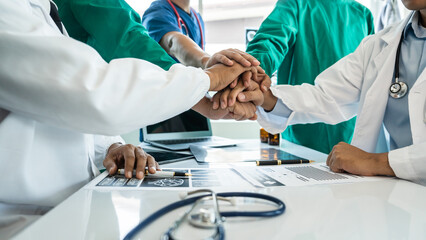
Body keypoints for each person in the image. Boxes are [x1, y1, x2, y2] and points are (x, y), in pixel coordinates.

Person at [0, 0, 259, 237]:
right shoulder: (9, 11)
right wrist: (209, 78)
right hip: (23, 226)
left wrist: (110, 146)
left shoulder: (44, 12)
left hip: (72, 211)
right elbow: (94, 90)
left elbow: (60, 101)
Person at [236, 0, 425, 184]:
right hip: (385, 184)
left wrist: (376, 161)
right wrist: (261, 93)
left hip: (361, 158)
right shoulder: (382, 42)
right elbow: (327, 96)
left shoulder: (361, 14)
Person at [53, 0, 263, 120]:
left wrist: (225, 86)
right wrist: (209, 68)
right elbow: (169, 42)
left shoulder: (197, 18)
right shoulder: (159, 10)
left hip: (189, 99)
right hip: (164, 112)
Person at [239, 0, 375, 154]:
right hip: (300, 126)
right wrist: (254, 70)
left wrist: (251, 72)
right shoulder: (296, 5)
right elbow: (270, 41)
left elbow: (372, 70)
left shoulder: (363, 14)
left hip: (350, 131)